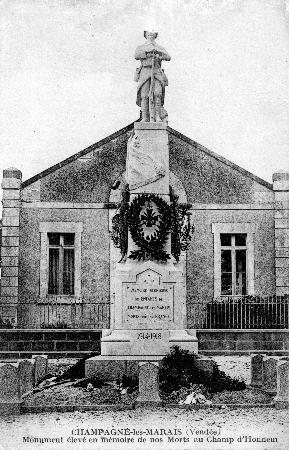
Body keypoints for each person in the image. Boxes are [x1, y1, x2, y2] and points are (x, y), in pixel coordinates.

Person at [135, 31, 171, 122]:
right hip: (145, 71)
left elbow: (168, 57)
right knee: (144, 95)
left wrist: (159, 53)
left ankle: (157, 116)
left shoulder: (159, 48)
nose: (150, 35)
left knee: (157, 94)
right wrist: (148, 52)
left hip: (156, 71)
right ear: (145, 35)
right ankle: (145, 117)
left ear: (155, 35)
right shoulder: (141, 47)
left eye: (152, 33)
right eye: (148, 33)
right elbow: (136, 55)